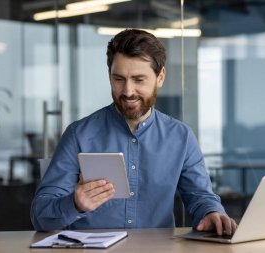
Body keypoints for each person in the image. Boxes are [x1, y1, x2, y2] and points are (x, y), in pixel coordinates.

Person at [31, 29, 236, 235]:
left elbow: (201, 197)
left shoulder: (181, 137)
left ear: (160, 77)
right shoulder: (79, 135)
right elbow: (40, 214)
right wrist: (75, 204)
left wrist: (211, 212)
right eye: (119, 79)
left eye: (139, 80)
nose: (128, 91)